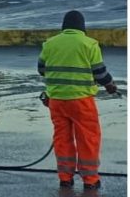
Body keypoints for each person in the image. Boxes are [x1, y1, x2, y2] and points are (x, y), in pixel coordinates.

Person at [38, 10, 117, 190]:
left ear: (64, 27)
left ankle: (65, 177)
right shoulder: (89, 44)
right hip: (81, 101)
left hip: (56, 101)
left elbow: (41, 69)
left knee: (62, 138)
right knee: (88, 138)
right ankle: (90, 180)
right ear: (82, 27)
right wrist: (110, 85)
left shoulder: (50, 44)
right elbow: (100, 73)